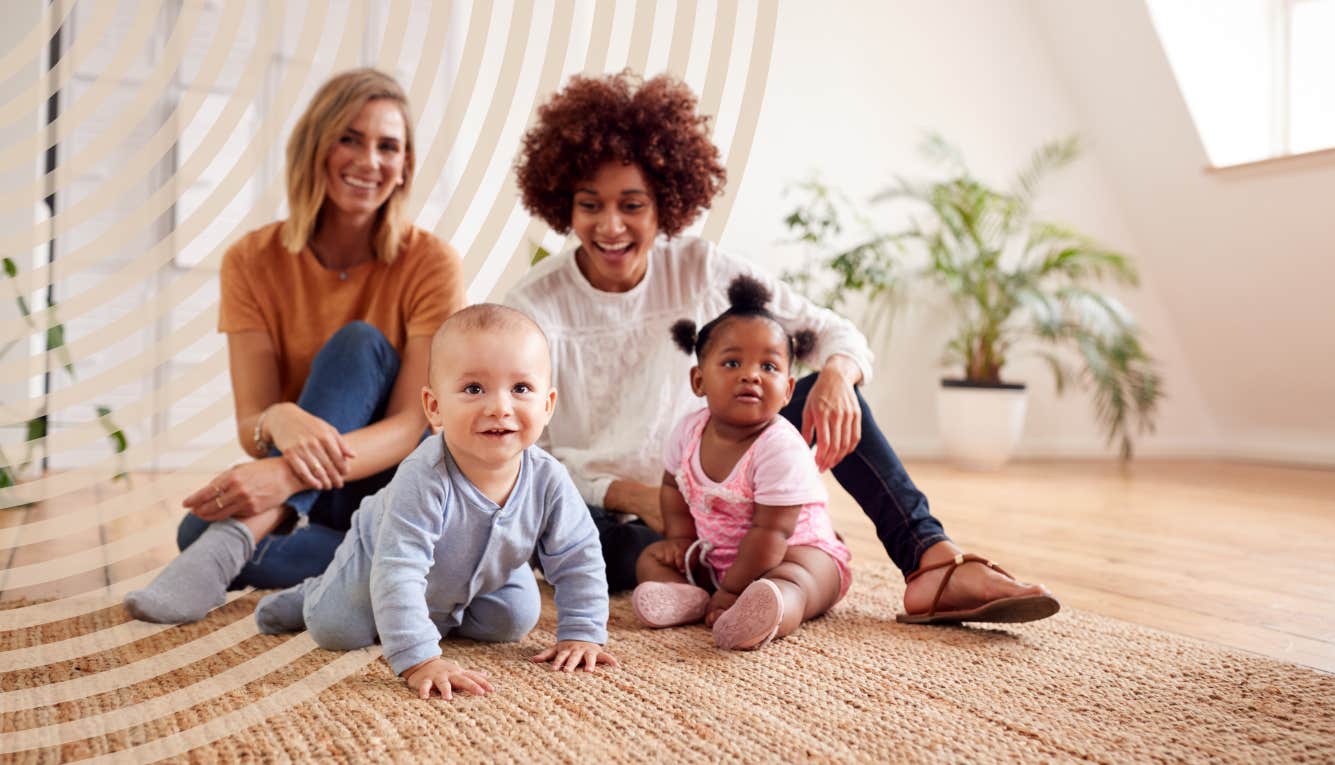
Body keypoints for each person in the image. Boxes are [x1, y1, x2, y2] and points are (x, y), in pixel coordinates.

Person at [506, 70, 1059, 625]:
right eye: (589, 205)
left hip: (711, 491)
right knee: (601, 551)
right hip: (609, 512)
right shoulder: (535, 305)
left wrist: (840, 377)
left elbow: (834, 333)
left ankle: (929, 561)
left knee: (815, 385)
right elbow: (523, 453)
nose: (610, 226)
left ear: (664, 204)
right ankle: (749, 570)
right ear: (562, 204)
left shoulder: (697, 268)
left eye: (632, 205)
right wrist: (629, 494)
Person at [125, 69, 465, 624]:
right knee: (196, 526)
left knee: (359, 344)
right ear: (315, 144)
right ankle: (389, 568)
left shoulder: (430, 263)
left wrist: (282, 475)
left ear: (405, 167)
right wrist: (279, 418)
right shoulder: (251, 260)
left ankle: (236, 544)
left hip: (392, 485)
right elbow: (251, 419)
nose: (368, 160)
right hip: (321, 496)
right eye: (348, 138)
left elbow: (412, 426)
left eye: (388, 147)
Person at [254, 305, 615, 698]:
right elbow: (399, 571)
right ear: (435, 407)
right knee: (337, 629)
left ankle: (440, 609)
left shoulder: (550, 478)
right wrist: (420, 658)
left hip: (481, 573)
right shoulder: (424, 476)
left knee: (512, 620)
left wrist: (582, 631)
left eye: (521, 389)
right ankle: (313, 592)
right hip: (379, 559)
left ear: (547, 405)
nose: (499, 407)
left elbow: (579, 554)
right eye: (474, 389)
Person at [632, 275, 852, 650]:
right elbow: (672, 489)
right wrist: (680, 539)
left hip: (795, 549)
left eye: (769, 367)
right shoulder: (688, 432)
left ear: (788, 390)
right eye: (733, 362)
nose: (751, 374)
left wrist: (733, 589)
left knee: (798, 579)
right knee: (651, 558)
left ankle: (769, 611)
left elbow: (772, 534)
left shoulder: (779, 447)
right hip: (717, 556)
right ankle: (686, 597)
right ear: (699, 381)